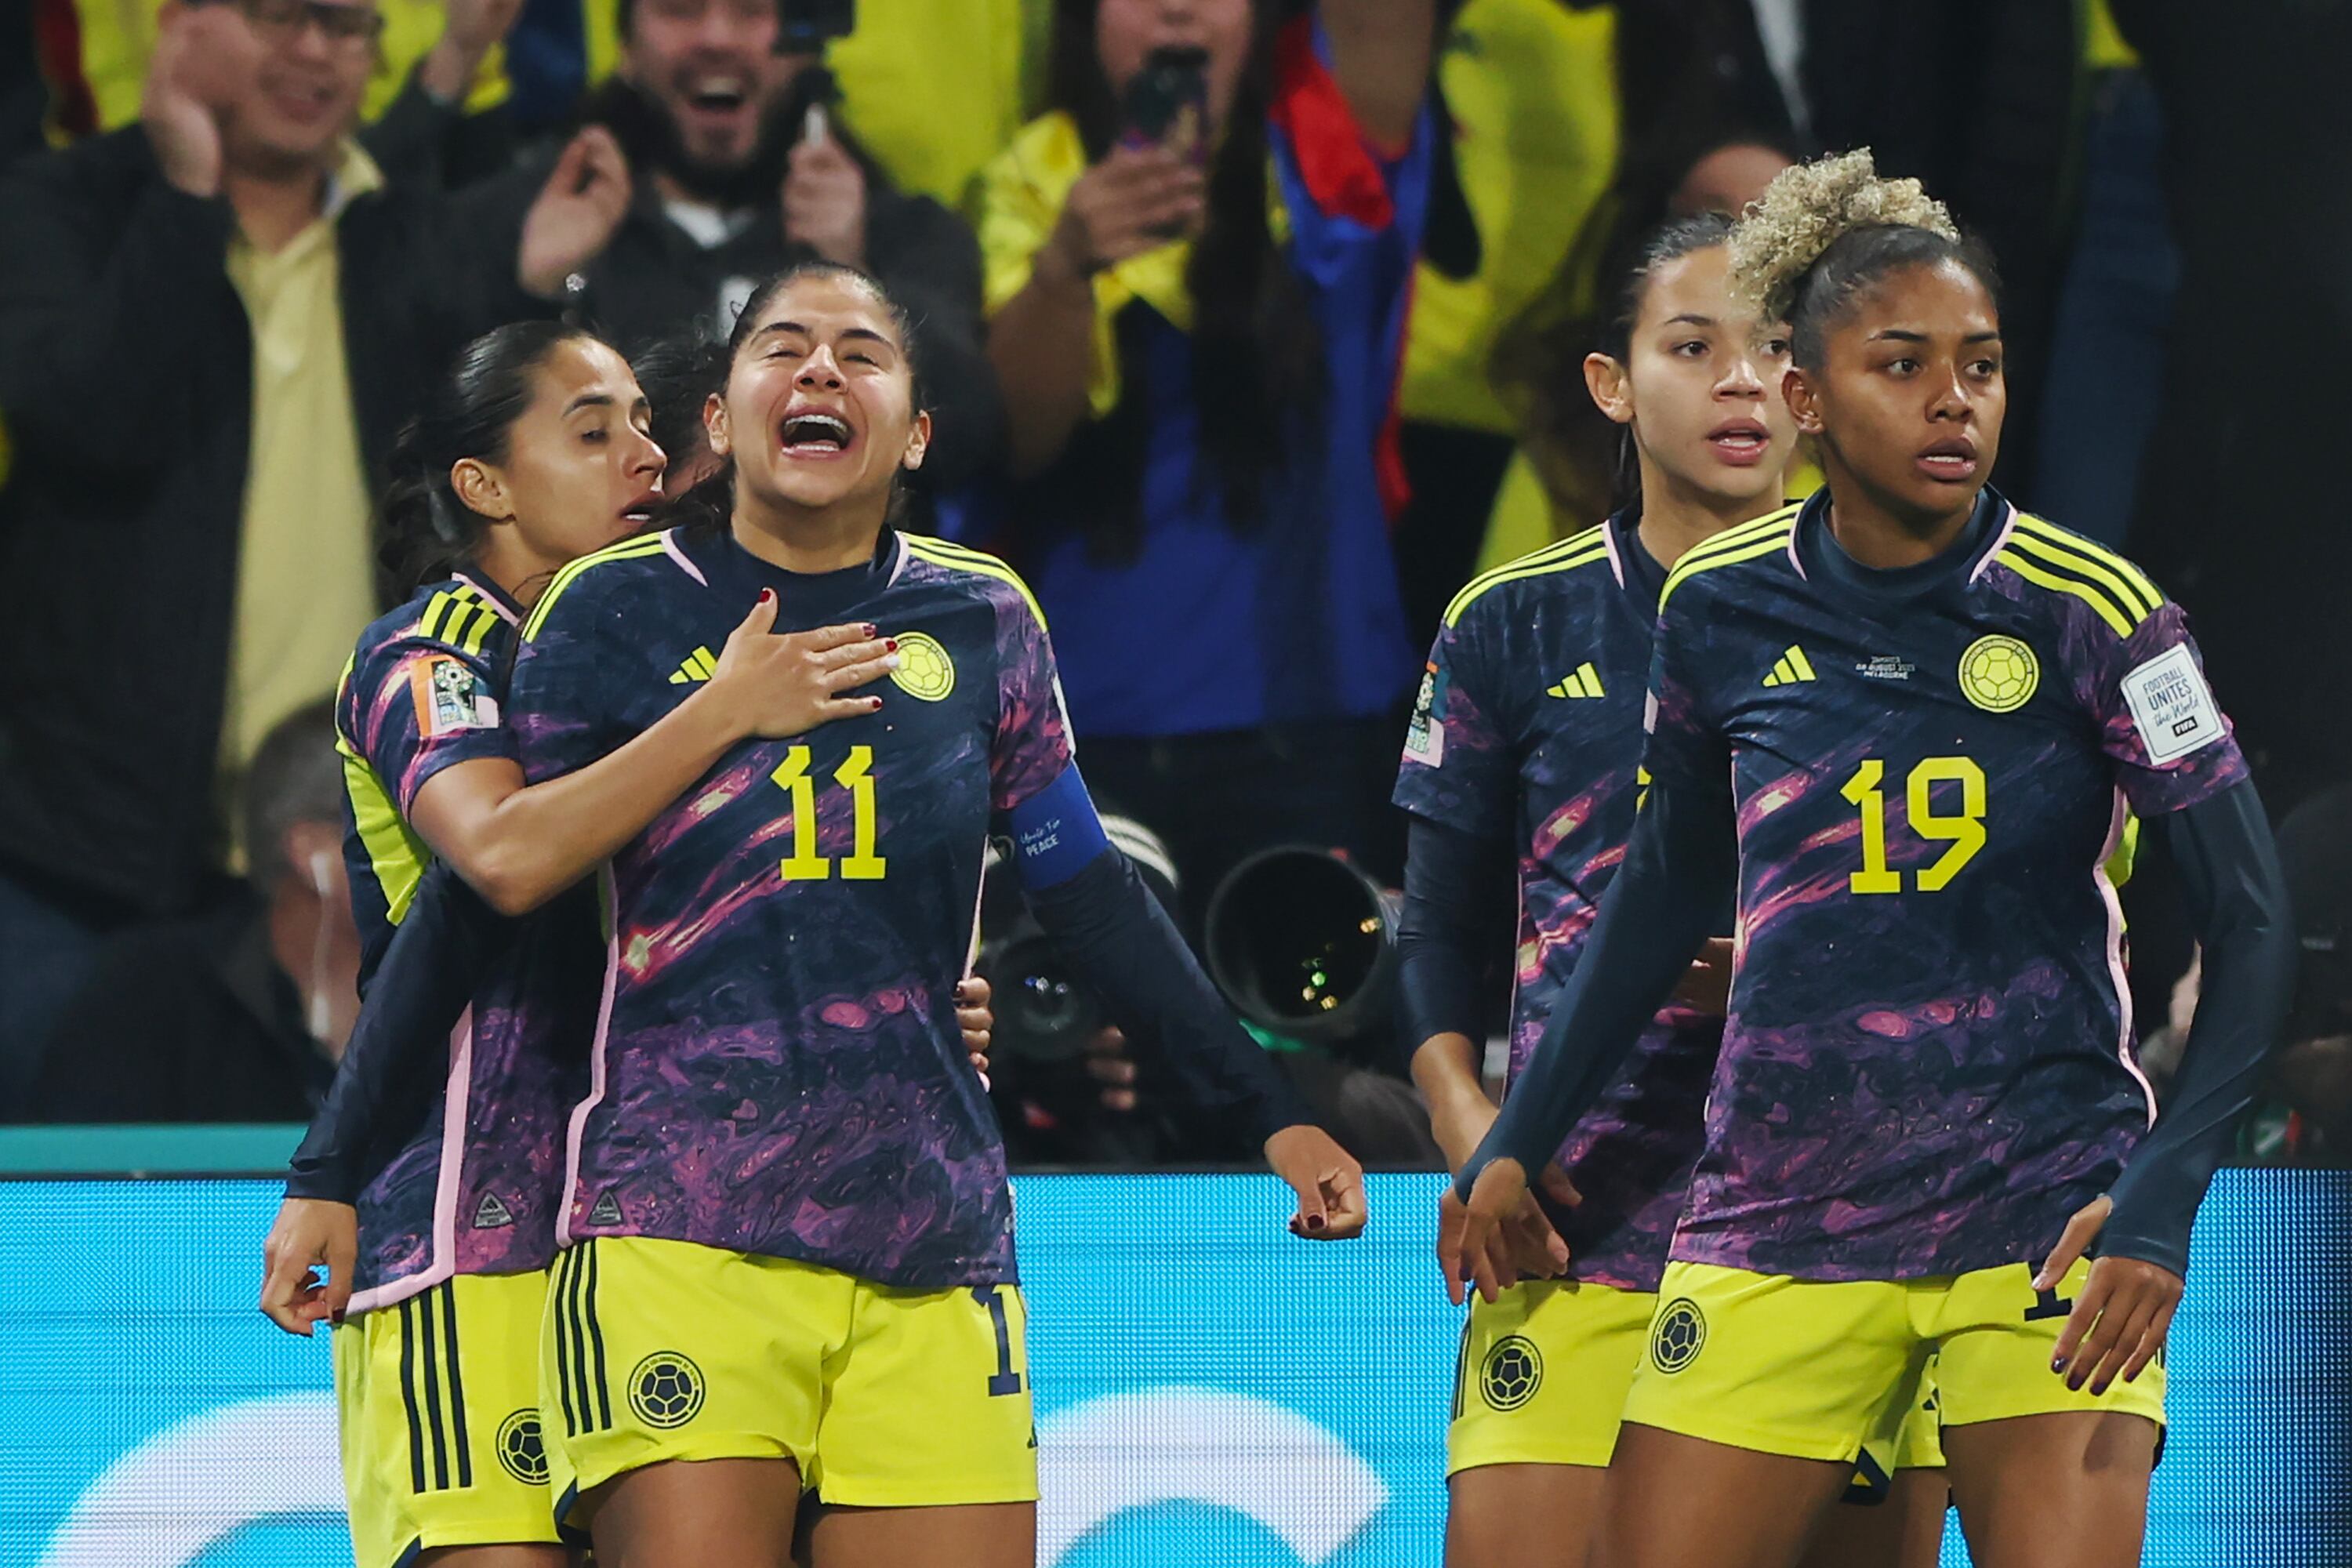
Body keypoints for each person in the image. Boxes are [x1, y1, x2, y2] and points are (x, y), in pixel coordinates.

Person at [1439, 151, 2295, 1568]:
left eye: (1983, 365)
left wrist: (2159, 1205)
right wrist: (1520, 1140)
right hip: (1780, 1213)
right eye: (1903, 365)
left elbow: (2257, 924)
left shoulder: (2099, 613)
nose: (1954, 399)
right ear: (1806, 399)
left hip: (2041, 1226)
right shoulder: (1717, 607)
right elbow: (1658, 896)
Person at [503, 261, 1365, 1565]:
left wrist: (1267, 1110)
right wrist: (344, 1170)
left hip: (932, 1231)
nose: (819, 371)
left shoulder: (983, 615)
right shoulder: (609, 610)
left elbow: (1089, 893)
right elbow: (501, 902)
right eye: (782, 347)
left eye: (861, 352)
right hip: (674, 1227)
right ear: (723, 420)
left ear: (912, 435)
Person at [252, 319, 900, 1568]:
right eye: (592, 431)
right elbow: (497, 855)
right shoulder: (427, 656)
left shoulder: (672, 664)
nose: (642, 457)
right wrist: (326, 1173)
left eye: (645, 427)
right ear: (481, 487)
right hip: (471, 1229)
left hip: (670, 1233)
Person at [1399, 214, 1943, 1568]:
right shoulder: (1510, 623)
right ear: (1612, 383)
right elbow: (1438, 930)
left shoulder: (1921, 620)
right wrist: (1480, 1133)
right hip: (1576, 1222)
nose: (1741, 383)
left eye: (1772, 349)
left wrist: (1788, 953)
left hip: (1847, 1222)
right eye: (1693, 347)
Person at [0, 0, 630, 1098]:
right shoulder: (60, 208)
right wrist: (187, 196)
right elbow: (91, 416)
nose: (313, 52)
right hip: (86, 869)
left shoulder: (395, 235)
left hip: (359, 854)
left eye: (346, 26)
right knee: (85, 1237)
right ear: (179, 21)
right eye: (279, 15)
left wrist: (528, 289)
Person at [978, 0, 1436, 900]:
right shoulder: (1036, 178)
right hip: (1087, 722)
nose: (1178, 7)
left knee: (1295, 1036)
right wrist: (1065, 267)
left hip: (1313, 713)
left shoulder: (1328, 155)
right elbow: (1015, 444)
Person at [502, 0, 1003, 495]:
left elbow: (970, 442)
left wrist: (854, 278)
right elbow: (457, 442)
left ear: (802, 46)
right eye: (682, 10)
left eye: (750, 10)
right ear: (627, 47)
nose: (718, 37)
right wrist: (539, 295)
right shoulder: (536, 215)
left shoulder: (907, 234)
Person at [20, 702, 356, 1123]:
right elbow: (74, 1181)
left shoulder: (457, 992)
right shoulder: (150, 997)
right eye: (410, 819)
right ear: (313, 850)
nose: (454, 845)